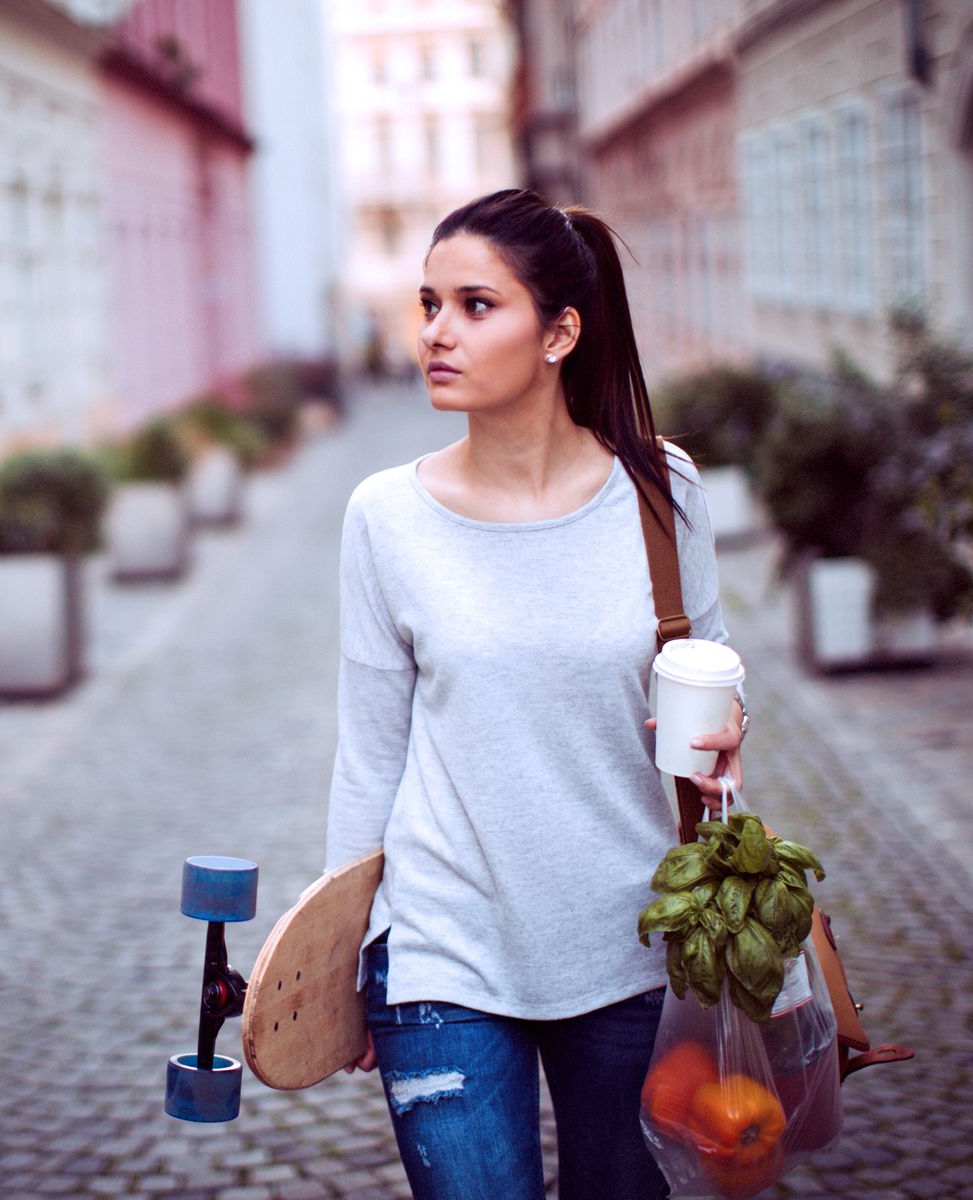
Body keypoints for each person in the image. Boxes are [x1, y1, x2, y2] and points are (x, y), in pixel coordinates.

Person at [325, 188, 745, 1200]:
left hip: (636, 952)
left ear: (561, 332)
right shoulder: (386, 516)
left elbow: (714, 682)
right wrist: (339, 958)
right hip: (442, 958)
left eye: (476, 306)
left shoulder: (661, 490)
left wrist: (729, 745)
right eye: (429, 304)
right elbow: (369, 750)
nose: (435, 332)